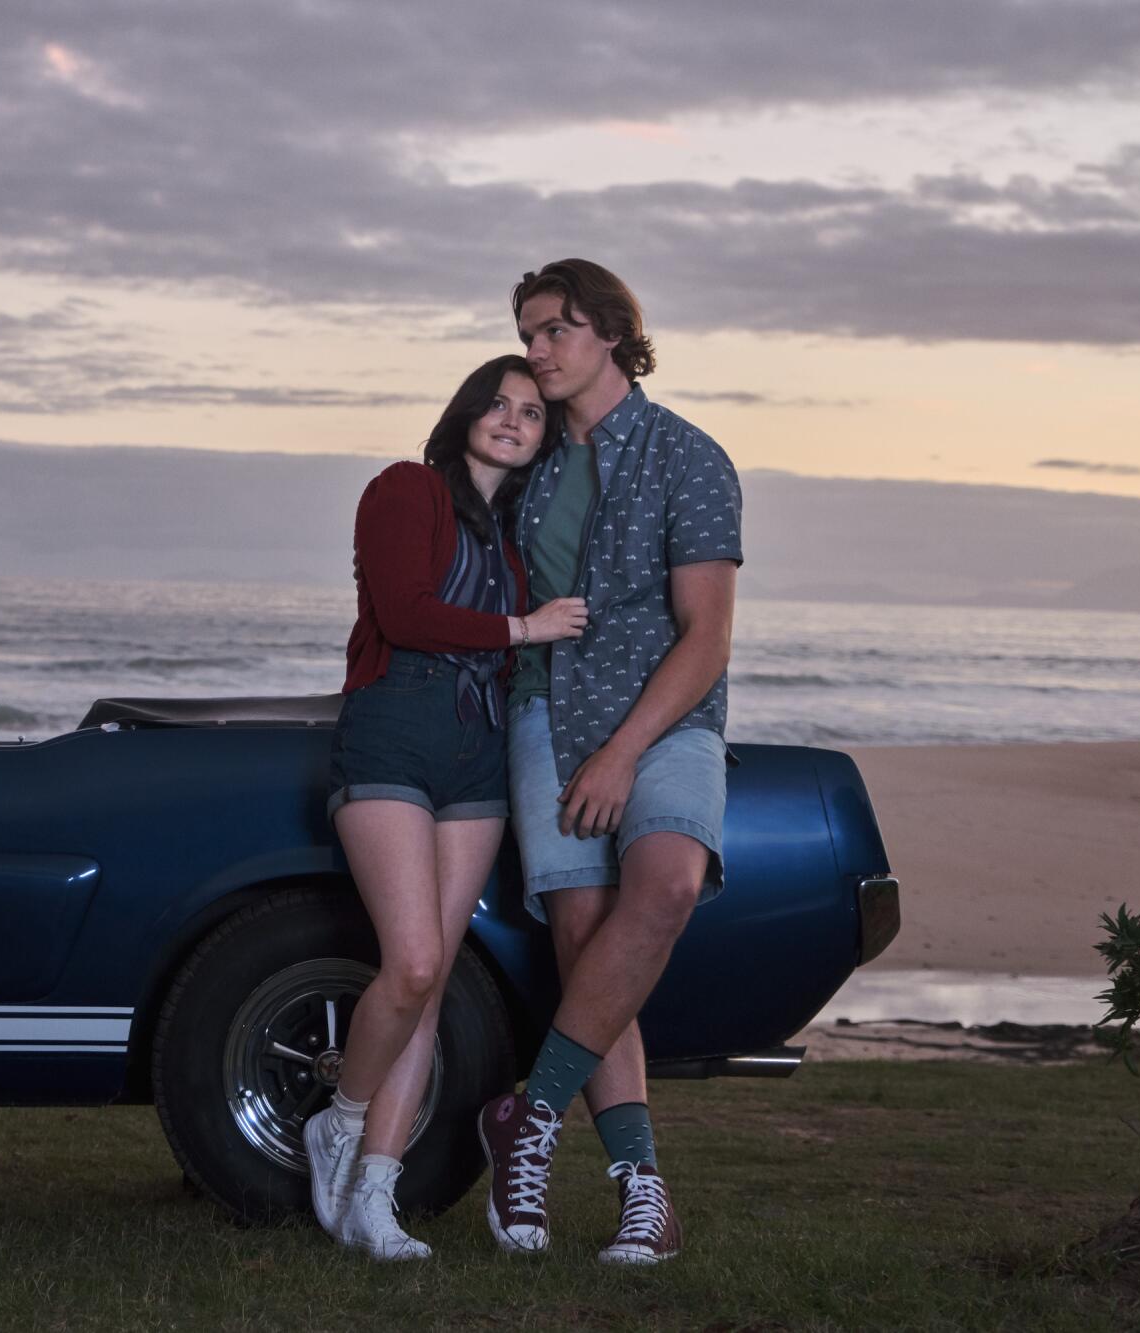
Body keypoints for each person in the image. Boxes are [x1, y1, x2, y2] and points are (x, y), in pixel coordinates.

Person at [475, 259, 742, 1265]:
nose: (534, 350)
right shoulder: (526, 463)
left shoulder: (688, 457)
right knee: (589, 955)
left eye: (550, 331)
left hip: (662, 724)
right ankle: (642, 1191)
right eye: (527, 332)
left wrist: (624, 753)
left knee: (666, 883)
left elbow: (703, 634)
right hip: (544, 719)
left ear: (607, 335)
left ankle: (525, 1119)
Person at [306, 355, 589, 1261]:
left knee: (432, 991)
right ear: (467, 412)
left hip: (478, 751)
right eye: (499, 404)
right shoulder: (405, 489)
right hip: (393, 729)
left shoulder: (512, 542)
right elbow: (404, 610)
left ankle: (377, 1195)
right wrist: (526, 626)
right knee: (416, 963)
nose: (513, 419)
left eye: (533, 413)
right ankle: (339, 1123)